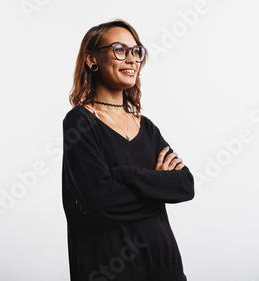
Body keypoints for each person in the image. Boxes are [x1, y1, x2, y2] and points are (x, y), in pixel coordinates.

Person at [62, 19, 195, 281]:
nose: (132, 59)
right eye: (120, 49)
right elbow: (101, 201)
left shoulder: (147, 128)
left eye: (137, 51)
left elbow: (184, 185)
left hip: (165, 266)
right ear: (92, 59)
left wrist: (125, 175)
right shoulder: (80, 122)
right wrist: (158, 187)